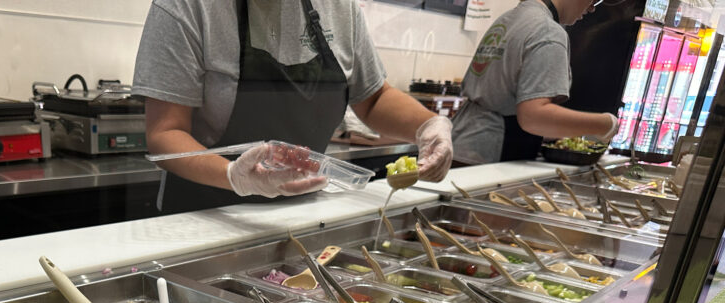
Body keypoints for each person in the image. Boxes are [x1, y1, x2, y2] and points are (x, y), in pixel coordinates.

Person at [131, 0, 454, 214]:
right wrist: (235, 176)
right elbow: (165, 133)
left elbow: (373, 98)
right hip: (206, 216)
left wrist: (428, 126)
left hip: (301, 213)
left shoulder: (339, 7)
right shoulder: (188, 6)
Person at [451, 0, 620, 165]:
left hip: (459, 143)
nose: (592, 8)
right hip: (489, 157)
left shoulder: (511, 17)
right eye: (593, 0)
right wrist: (604, 124)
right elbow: (533, 117)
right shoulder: (548, 31)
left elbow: (505, 100)